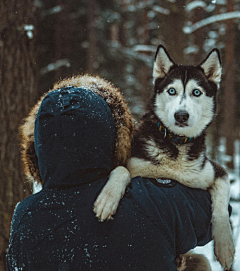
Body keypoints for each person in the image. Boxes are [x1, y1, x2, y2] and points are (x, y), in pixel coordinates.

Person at [7, 85, 214, 271]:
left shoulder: (25, 219)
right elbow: (212, 210)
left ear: (38, 149)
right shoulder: (153, 201)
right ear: (117, 139)